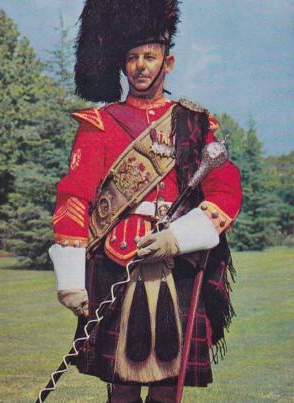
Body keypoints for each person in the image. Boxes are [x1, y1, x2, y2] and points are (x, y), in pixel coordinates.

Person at [49, 1, 242, 402]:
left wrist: (179, 237)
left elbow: (225, 192)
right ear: (123, 65)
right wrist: (69, 277)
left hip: (178, 265)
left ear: (167, 62)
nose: (141, 66)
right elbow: (73, 196)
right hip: (114, 265)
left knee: (168, 391)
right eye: (132, 58)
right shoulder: (101, 125)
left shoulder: (193, 122)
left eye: (150, 57)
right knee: (120, 387)